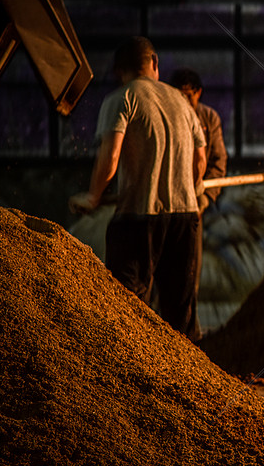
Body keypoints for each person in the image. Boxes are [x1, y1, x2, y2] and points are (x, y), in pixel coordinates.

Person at [69, 36, 207, 342]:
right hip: (185, 217)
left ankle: (129, 382)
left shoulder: (121, 99)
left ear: (120, 71)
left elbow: (112, 155)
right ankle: (188, 382)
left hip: (138, 217)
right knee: (180, 315)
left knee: (127, 310)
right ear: (154, 63)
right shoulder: (182, 102)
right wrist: (191, 186)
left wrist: (93, 196)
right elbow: (200, 156)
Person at [170, 68, 228, 213]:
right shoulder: (167, 119)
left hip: (197, 195)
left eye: (189, 96)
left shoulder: (209, 118)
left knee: (193, 234)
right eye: (180, 97)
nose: (185, 103)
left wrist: (206, 195)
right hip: (169, 198)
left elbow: (219, 159)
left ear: (198, 93)